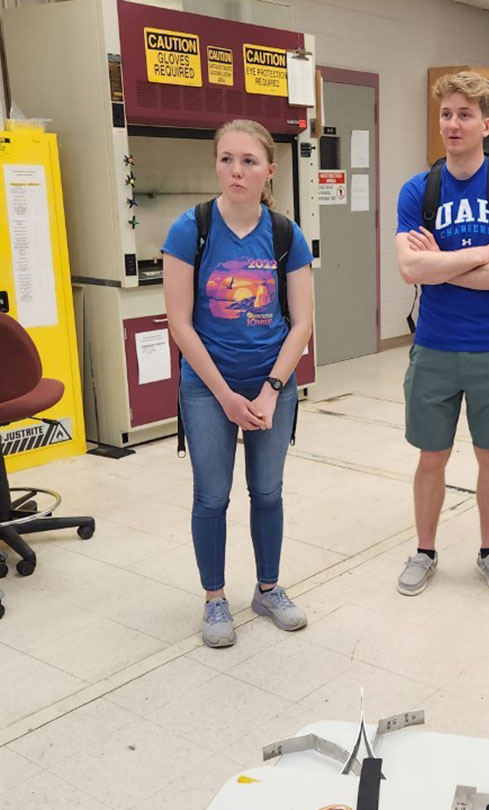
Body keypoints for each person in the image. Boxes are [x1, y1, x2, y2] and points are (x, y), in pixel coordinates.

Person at [162, 119, 314, 648]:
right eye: (226, 159)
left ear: (270, 170)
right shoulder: (191, 229)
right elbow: (179, 322)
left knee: (267, 492)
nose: (236, 170)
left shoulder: (284, 234)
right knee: (212, 496)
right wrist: (225, 396)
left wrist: (271, 388)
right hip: (208, 388)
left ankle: (268, 590)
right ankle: (214, 599)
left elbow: (302, 322)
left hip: (272, 384)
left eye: (248, 161)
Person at [393, 70, 489, 597]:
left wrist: (441, 262)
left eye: (465, 115)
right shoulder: (418, 190)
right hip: (433, 345)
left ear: (487, 124)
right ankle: (425, 551)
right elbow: (410, 270)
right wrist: (480, 254)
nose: (453, 124)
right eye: (446, 114)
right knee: (431, 456)